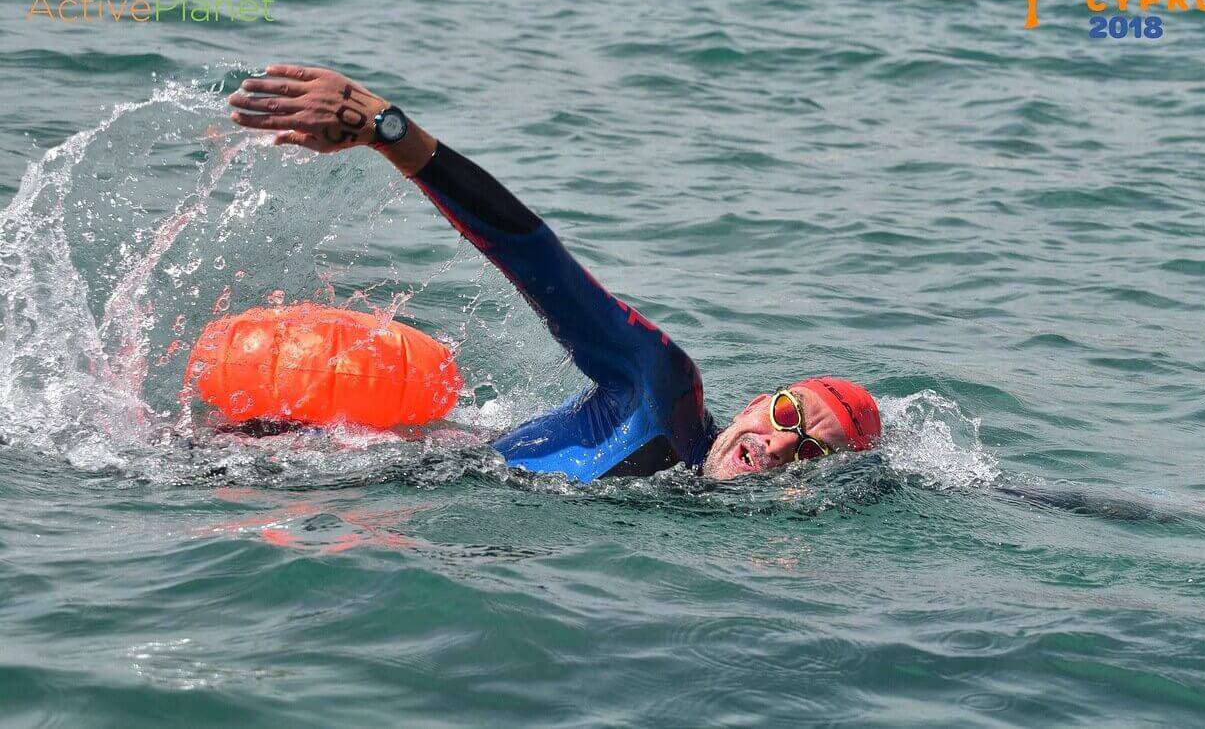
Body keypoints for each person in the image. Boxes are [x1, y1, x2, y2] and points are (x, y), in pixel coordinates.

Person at [228, 65, 881, 482]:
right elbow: (538, 260)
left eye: (811, 454)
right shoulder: (660, 388)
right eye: (789, 413)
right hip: (330, 464)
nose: (777, 444)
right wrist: (389, 131)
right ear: (755, 401)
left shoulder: (713, 510)